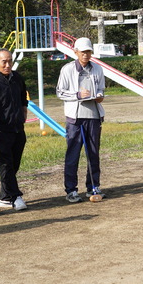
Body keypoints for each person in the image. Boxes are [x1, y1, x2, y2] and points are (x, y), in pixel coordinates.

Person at [56, 37, 106, 203]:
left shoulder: (97, 69)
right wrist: (77, 95)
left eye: (88, 51)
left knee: (93, 153)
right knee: (73, 154)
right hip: (75, 118)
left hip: (93, 116)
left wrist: (99, 96)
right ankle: (71, 190)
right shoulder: (67, 69)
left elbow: (101, 89)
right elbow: (60, 92)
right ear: (75, 52)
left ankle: (93, 186)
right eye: (83, 51)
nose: (86, 54)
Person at [0, 48, 29, 211]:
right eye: (4, 62)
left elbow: (23, 96)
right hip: (1, 130)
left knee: (14, 164)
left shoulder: (17, 77)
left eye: (10, 61)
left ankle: (4, 196)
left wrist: (24, 110)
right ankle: (16, 197)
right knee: (5, 165)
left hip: (17, 128)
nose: (8, 65)